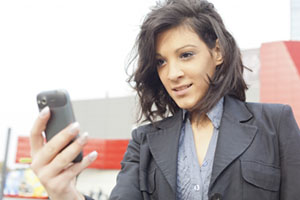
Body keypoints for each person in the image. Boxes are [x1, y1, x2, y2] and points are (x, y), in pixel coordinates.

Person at [30, 0, 300, 199]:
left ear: (217, 52)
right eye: (161, 62)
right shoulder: (144, 143)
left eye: (186, 55)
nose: (172, 74)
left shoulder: (275, 124)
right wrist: (65, 192)